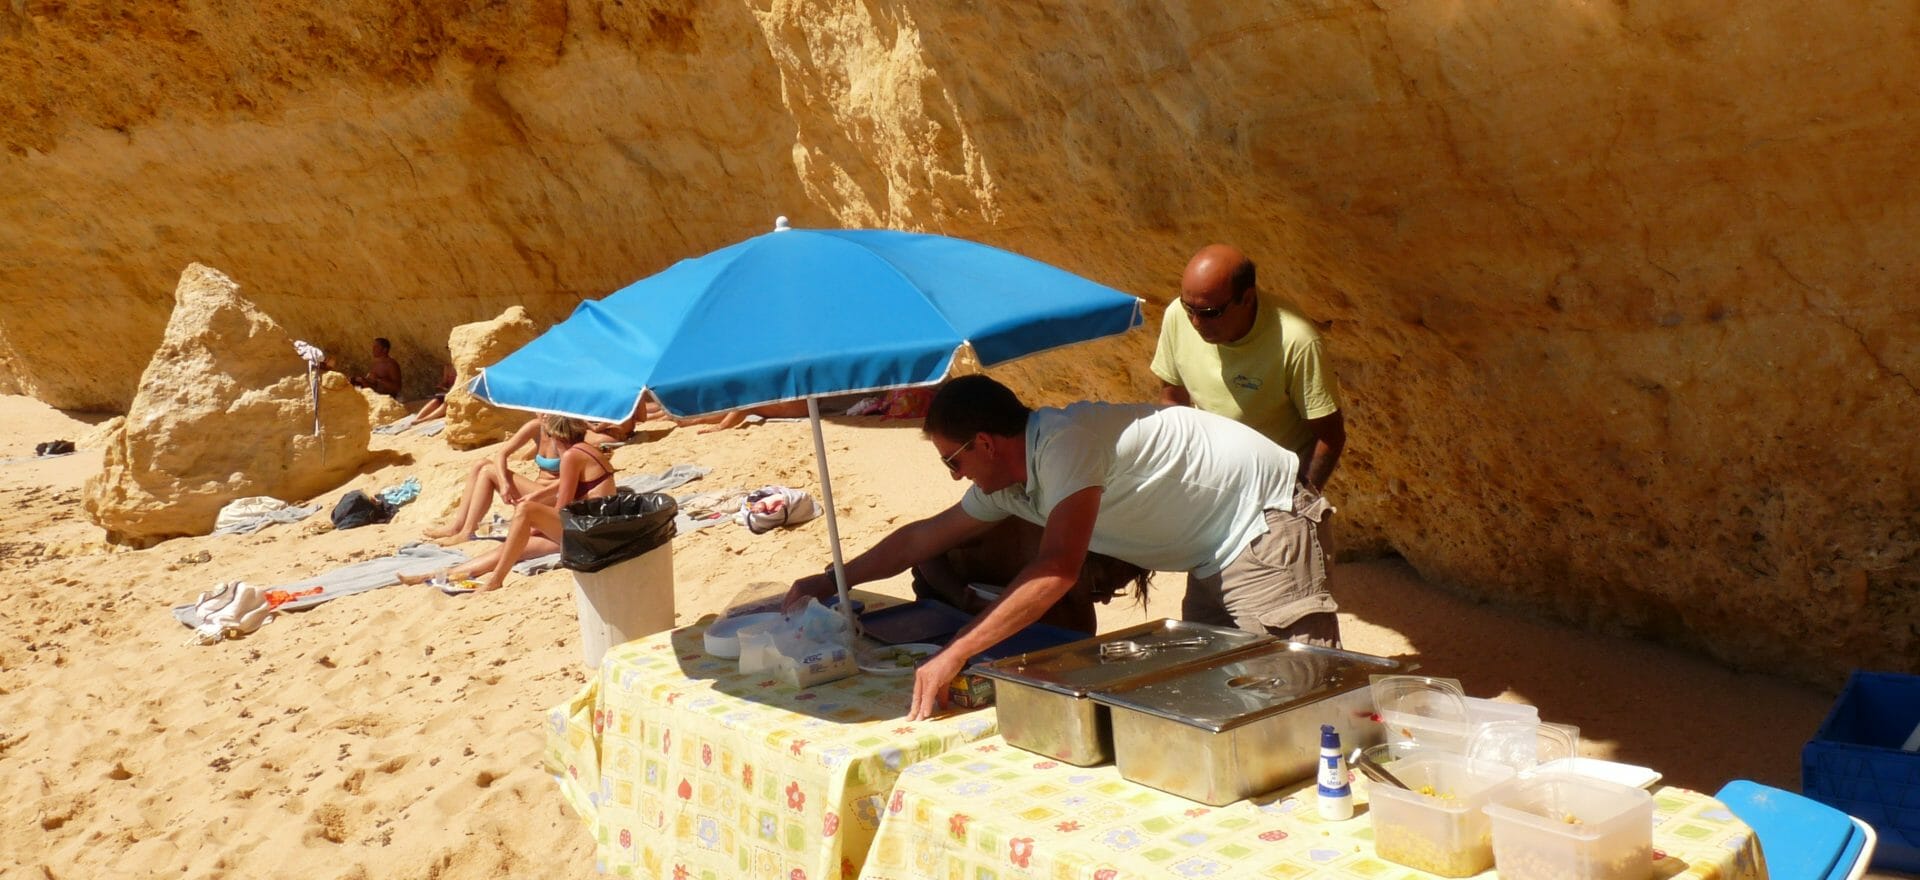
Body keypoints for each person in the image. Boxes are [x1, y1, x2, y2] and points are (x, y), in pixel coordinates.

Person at [784, 375, 1335, 720]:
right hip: (1210, 544)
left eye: (954, 461)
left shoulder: (1063, 446)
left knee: (1292, 695)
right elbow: (923, 537)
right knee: (1224, 684)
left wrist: (957, 652)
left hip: (1264, 518)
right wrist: (831, 579)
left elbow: (1058, 568)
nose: (955, 477)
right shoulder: (1010, 482)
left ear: (985, 444)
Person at [1152, 245, 1346, 492]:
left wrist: (1298, 502)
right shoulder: (1176, 316)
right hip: (1207, 478)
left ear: (1247, 298)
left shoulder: (1296, 342)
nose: (1196, 322)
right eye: (1188, 308)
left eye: (1210, 313)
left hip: (1272, 488)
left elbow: (1329, 437)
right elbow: (1173, 399)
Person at [405, 414, 617, 591]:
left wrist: (533, 524)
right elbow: (570, 490)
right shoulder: (588, 450)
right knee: (512, 548)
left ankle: (496, 580)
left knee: (525, 511)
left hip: (588, 533)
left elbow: (563, 508)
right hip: (593, 529)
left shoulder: (572, 456)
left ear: (556, 437)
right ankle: (438, 575)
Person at [423, 415, 585, 543]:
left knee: (487, 471)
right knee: (481, 464)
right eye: (540, 411)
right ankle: (457, 526)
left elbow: (571, 479)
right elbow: (502, 453)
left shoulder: (564, 435)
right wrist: (504, 483)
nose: (543, 416)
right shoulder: (536, 427)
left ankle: (467, 531)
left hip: (551, 496)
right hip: (535, 489)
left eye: (548, 411)